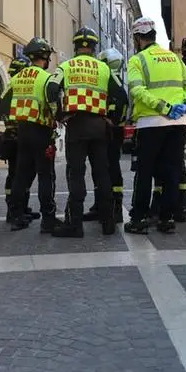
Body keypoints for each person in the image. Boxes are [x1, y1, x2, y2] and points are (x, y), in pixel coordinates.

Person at [124, 16, 186, 235]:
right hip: (178, 123)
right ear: (154, 35)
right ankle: (167, 219)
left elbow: (137, 91)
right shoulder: (174, 59)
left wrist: (162, 107)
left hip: (150, 123)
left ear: (138, 38)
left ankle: (138, 219)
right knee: (172, 171)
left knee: (145, 172)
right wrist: (184, 104)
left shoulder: (138, 60)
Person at [46, 27, 121, 238]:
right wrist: (112, 119)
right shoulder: (104, 69)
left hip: (76, 126)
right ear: (95, 47)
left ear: (76, 46)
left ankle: (75, 225)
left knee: (76, 174)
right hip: (99, 127)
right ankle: (108, 223)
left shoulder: (66, 66)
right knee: (102, 173)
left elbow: (51, 89)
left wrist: (59, 115)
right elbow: (121, 96)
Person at [7, 38, 58, 232]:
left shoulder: (17, 78)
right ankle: (48, 219)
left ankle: (17, 216)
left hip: (22, 131)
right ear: (45, 57)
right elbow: (54, 103)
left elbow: (2, 103)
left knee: (21, 175)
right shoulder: (47, 78)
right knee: (45, 175)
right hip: (41, 131)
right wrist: (55, 117)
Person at [81, 47, 129, 223]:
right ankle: (100, 205)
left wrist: (112, 121)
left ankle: (114, 207)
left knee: (110, 168)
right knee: (100, 168)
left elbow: (122, 100)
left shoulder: (110, 76)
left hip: (111, 131)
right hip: (108, 129)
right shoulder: (112, 77)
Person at [0, 55, 41, 225]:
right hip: (16, 137)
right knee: (18, 176)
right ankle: (14, 211)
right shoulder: (15, 88)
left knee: (22, 175)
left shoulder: (12, 88)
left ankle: (21, 207)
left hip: (17, 136)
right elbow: (1, 108)